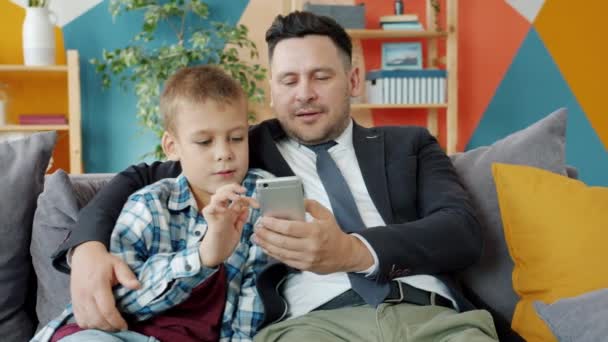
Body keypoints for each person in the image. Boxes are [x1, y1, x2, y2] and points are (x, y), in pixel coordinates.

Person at [52, 11, 502, 342]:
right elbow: (144, 174)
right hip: (315, 324)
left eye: (320, 76)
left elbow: (461, 232)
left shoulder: (409, 144)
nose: (303, 93)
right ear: (271, 90)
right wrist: (86, 246)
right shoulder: (244, 148)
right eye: (288, 80)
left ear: (354, 80)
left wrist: (353, 251)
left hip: (434, 318)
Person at [34, 65, 272, 342]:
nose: (224, 153)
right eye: (204, 141)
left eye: (237, 138)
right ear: (172, 147)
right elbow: (121, 301)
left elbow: (250, 308)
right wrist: (201, 257)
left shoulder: (259, 200)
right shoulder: (149, 205)